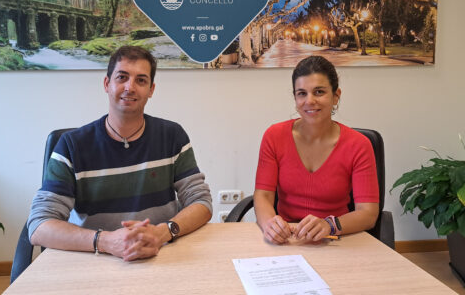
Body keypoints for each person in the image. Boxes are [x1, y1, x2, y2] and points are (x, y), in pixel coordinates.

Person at [28, 46, 212, 261]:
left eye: (141, 80)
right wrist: (106, 241)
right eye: (122, 77)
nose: (130, 87)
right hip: (94, 257)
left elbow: (201, 202)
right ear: (107, 84)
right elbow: (39, 225)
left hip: (160, 253)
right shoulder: (71, 145)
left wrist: (163, 232)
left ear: (151, 90)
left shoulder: (172, 136)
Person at [254, 55, 379, 244]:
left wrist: (329, 225)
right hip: (288, 240)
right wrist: (270, 224)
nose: (309, 101)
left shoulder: (359, 145)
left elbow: (368, 214)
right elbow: (263, 195)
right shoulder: (274, 136)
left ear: (336, 96)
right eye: (302, 93)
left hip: (337, 240)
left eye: (319, 92)